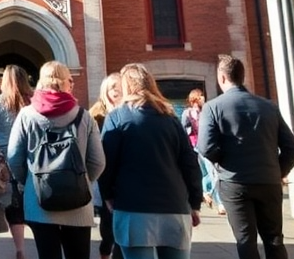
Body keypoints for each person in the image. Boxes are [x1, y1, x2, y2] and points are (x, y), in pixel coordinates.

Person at [197, 55, 294, 259]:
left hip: (235, 183)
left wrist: (224, 162)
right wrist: (278, 171)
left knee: (245, 240)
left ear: (222, 78)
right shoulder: (268, 106)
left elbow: (206, 147)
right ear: (241, 77)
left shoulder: (213, 107)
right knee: (274, 239)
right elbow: (292, 148)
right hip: (268, 181)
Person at [99, 63, 202, 259]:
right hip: (174, 207)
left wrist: (108, 196)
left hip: (133, 208)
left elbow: (107, 164)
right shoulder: (171, 118)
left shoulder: (117, 118)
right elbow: (189, 163)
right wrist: (195, 202)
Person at [8, 61, 104, 259]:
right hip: (78, 201)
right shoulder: (84, 117)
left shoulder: (27, 115)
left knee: (47, 254)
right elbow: (98, 162)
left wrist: (29, 182)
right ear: (67, 82)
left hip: (39, 200)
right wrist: (81, 180)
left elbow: (14, 158)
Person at [0, 64, 36, 259]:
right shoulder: (33, 102)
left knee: (9, 203)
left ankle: (19, 248)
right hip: (29, 158)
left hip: (4, 160)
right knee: (28, 200)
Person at [89, 73, 124, 259]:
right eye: (112, 87)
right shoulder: (96, 114)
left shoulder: (129, 111)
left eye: (119, 86)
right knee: (107, 223)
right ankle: (105, 252)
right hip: (103, 175)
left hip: (123, 175)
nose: (116, 90)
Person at [180, 89, 222, 217]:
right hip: (197, 147)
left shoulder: (205, 111)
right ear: (195, 98)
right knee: (212, 174)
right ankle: (218, 201)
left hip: (204, 146)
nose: (203, 98)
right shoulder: (188, 113)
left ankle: (207, 193)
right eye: (201, 96)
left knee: (208, 173)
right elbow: (183, 130)